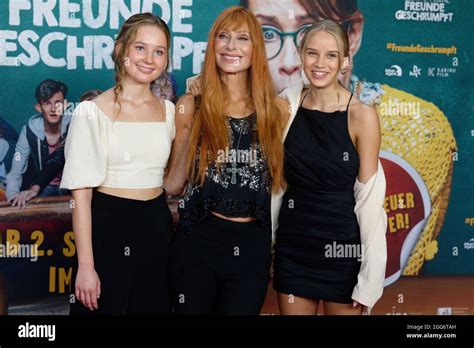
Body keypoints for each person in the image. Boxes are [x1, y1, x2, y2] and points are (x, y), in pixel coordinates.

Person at [243, 0, 456, 274]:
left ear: (352, 35)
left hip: (345, 263)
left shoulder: (414, 130)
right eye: (267, 34)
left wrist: (367, 280)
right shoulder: (262, 116)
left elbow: (376, 220)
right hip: (292, 260)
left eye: (308, 28)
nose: (288, 63)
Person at [164, 6, 288, 315]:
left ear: (255, 49)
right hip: (197, 243)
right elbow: (173, 184)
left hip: (251, 248)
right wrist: (192, 121)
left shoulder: (276, 112)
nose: (231, 46)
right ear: (213, 45)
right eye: (223, 36)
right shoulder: (190, 104)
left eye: (242, 38)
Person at [60, 12, 175, 315]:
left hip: (157, 226)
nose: (149, 58)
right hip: (108, 227)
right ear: (120, 49)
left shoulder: (170, 112)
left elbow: (174, 182)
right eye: (140, 47)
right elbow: (81, 198)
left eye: (159, 51)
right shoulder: (90, 112)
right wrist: (86, 265)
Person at [272, 20, 387, 315]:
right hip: (294, 247)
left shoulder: (362, 116)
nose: (320, 63)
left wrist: (369, 279)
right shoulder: (284, 106)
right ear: (300, 56)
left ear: (345, 61)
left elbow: (370, 201)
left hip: (343, 253)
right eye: (312, 53)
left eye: (331, 55)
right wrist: (197, 85)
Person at [5, 79, 71, 208]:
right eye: (47, 103)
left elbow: (58, 159)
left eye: (57, 103)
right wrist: (13, 195)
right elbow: (15, 171)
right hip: (41, 188)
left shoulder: (74, 125)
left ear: (65, 104)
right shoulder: (29, 131)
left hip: (71, 187)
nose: (53, 109)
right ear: (39, 107)